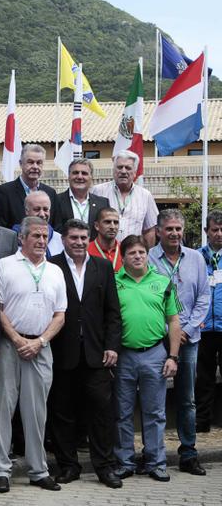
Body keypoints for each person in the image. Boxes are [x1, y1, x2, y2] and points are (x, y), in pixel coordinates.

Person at [0, 216, 66, 493]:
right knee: (2, 408)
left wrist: (40, 341)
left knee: (36, 412)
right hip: (11, 345)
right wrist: (18, 339)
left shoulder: (55, 271)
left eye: (45, 237)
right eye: (36, 236)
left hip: (41, 348)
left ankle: (38, 470)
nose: (41, 241)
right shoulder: (4, 266)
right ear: (22, 238)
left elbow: (60, 315)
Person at [47, 219, 123, 489]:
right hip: (61, 351)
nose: (78, 243)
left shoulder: (102, 267)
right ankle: (68, 466)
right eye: (73, 238)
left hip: (97, 353)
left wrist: (112, 346)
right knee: (62, 412)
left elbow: (113, 312)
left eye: (83, 238)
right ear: (64, 240)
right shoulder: (52, 266)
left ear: (89, 239)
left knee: (101, 413)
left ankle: (105, 467)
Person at [113, 235, 182, 482]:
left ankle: (155, 462)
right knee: (122, 412)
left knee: (155, 413)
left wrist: (173, 356)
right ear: (124, 257)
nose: (138, 256)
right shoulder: (115, 282)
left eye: (142, 252)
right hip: (124, 355)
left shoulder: (163, 282)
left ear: (147, 254)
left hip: (155, 354)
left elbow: (174, 321)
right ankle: (125, 462)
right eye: (132, 253)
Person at [147, 209, 210, 476]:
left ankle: (188, 453)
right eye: (169, 229)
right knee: (153, 400)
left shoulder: (195, 258)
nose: (174, 233)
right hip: (157, 339)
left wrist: (185, 328)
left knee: (187, 400)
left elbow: (204, 298)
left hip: (190, 339)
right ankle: (153, 454)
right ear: (159, 231)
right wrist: (168, 330)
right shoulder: (148, 258)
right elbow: (145, 298)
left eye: (178, 229)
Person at [90, 150, 158, 247]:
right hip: (103, 254)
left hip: (133, 255)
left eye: (128, 168)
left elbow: (149, 230)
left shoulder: (145, 195)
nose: (123, 171)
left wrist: (147, 255)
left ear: (135, 172)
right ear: (113, 170)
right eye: (119, 167)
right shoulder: (97, 191)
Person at [197, 209, 222, 433]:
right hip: (203, 327)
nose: (219, 234)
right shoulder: (196, 257)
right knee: (203, 377)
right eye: (215, 229)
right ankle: (202, 421)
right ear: (206, 231)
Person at [0, 144, 57, 229]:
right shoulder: (4, 192)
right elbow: (0, 227)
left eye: (39, 163)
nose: (35, 167)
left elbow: (55, 225)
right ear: (21, 164)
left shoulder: (50, 193)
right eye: (30, 162)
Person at [52, 158, 108, 237]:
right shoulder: (56, 201)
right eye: (75, 173)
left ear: (91, 177)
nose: (79, 176)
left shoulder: (103, 203)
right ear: (69, 176)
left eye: (84, 173)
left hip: (93, 249)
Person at [11, 191, 63, 256]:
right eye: (37, 209)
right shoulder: (12, 239)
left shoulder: (59, 239)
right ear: (26, 211)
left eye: (45, 209)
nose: (42, 214)